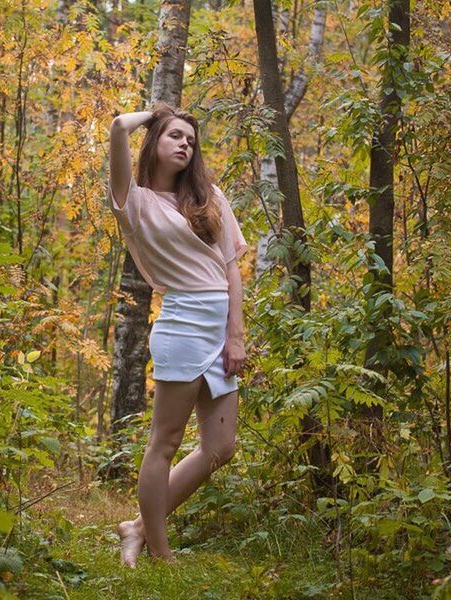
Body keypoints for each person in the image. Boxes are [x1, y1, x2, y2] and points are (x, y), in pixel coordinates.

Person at [107, 102, 249, 567]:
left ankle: (139, 527)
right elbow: (117, 129)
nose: (185, 143)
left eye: (191, 139)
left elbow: (230, 269)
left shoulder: (209, 197)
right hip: (182, 326)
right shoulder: (135, 200)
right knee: (165, 443)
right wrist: (152, 115)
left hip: (218, 329)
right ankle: (161, 553)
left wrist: (236, 336)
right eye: (175, 136)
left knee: (221, 447)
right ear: (154, 142)